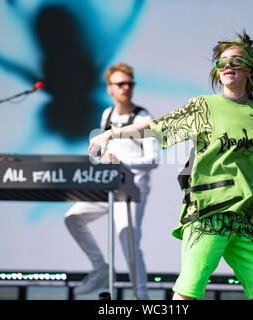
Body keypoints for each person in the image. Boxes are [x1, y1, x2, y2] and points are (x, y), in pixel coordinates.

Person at [89, 29, 253, 300]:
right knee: (188, 292)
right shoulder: (204, 107)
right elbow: (157, 126)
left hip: (251, 220)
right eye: (222, 63)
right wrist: (110, 134)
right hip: (208, 214)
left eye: (236, 61)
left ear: (249, 69)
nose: (227, 66)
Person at [65, 63, 159, 300]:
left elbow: (153, 159)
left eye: (130, 83)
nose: (126, 88)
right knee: (73, 218)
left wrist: (122, 163)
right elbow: (97, 153)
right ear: (109, 88)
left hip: (132, 189)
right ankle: (101, 268)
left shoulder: (143, 117)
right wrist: (98, 155)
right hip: (106, 187)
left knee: (127, 240)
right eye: (121, 84)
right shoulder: (106, 115)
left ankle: (141, 298)